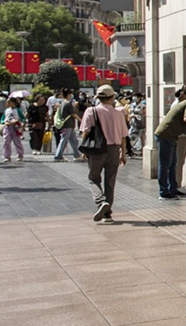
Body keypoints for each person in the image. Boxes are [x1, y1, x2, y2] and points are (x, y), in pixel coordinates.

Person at [80, 84, 130, 224]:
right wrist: (123, 154)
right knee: (110, 181)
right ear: (112, 97)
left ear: (98, 98)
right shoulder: (119, 113)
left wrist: (85, 150)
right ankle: (108, 214)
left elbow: (86, 131)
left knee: (93, 178)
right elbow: (123, 136)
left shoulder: (91, 111)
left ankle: (101, 202)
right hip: (114, 149)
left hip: (97, 150)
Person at [52, 89, 82, 161]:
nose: (71, 95)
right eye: (71, 94)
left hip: (69, 125)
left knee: (74, 140)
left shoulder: (63, 102)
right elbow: (73, 114)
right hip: (68, 124)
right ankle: (58, 156)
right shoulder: (68, 103)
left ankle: (77, 155)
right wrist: (81, 120)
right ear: (68, 94)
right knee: (64, 140)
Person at [1, 96, 26, 163]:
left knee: (17, 141)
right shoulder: (6, 110)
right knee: (6, 142)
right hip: (7, 127)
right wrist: (4, 122)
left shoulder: (18, 110)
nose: (8, 103)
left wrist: (18, 121)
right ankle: (7, 156)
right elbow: (2, 119)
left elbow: (23, 118)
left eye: (10, 102)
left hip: (15, 127)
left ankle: (20, 154)